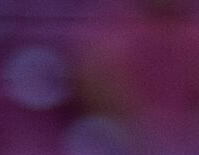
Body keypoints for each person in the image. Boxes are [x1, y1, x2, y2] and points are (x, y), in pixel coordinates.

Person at [78, 0, 199, 143]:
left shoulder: (192, 38)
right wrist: (142, 127)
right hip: (128, 138)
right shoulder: (113, 36)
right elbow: (97, 85)